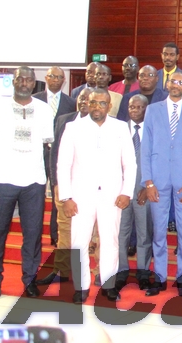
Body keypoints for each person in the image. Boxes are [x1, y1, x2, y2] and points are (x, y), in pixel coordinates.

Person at [0, 66, 54, 300]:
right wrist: (0, 161)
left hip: (33, 181)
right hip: (2, 179)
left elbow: (45, 143)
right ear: (13, 81)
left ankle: (30, 279)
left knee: (32, 234)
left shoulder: (43, 110)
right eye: (20, 78)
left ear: (34, 83)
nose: (24, 82)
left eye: (29, 79)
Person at [56, 89, 136, 303]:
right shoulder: (73, 128)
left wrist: (127, 191)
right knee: (78, 242)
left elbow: (129, 163)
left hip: (112, 196)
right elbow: (63, 164)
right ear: (87, 103)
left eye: (101, 103)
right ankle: (80, 287)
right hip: (80, 196)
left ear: (109, 106)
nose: (97, 107)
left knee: (110, 241)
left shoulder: (120, 127)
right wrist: (66, 197)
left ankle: (109, 284)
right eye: (93, 103)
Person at [141, 70, 182, 297]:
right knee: (158, 231)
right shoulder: (152, 110)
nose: (177, 85)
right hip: (157, 180)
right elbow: (145, 148)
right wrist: (148, 182)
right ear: (167, 84)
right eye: (173, 81)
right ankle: (159, 277)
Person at [36, 88, 94, 287]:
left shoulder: (102, 123)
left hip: (92, 188)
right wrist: (55, 184)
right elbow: (55, 155)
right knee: (64, 229)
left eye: (89, 98)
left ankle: (96, 274)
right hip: (66, 186)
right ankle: (61, 270)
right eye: (82, 97)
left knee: (94, 232)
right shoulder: (64, 119)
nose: (85, 101)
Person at [115, 94, 153, 292]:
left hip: (143, 192)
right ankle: (121, 271)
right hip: (121, 192)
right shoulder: (118, 130)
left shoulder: (153, 130)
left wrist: (148, 187)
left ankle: (143, 273)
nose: (135, 110)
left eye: (139, 107)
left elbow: (158, 161)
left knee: (144, 234)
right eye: (132, 107)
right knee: (120, 234)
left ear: (147, 109)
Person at [34, 67, 75, 247]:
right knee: (35, 194)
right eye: (52, 76)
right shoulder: (35, 100)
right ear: (46, 78)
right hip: (36, 152)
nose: (56, 79)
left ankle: (55, 234)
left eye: (59, 77)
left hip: (58, 153)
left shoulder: (71, 102)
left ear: (64, 80)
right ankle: (35, 233)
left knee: (58, 192)